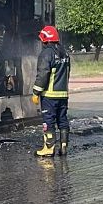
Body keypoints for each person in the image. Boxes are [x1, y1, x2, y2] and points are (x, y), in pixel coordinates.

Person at [31, 25, 72, 158]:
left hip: (49, 95)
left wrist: (36, 92)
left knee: (48, 121)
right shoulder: (64, 52)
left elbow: (43, 75)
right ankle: (64, 147)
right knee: (62, 120)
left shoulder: (46, 54)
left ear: (44, 39)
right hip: (63, 94)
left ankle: (48, 149)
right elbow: (67, 73)